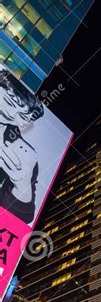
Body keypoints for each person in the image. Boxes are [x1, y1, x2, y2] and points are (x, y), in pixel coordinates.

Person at [0, 68, 44, 224]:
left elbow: (21, 219)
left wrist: (22, 186)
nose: (12, 115)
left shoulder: (24, 157)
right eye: (11, 101)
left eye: (23, 116)